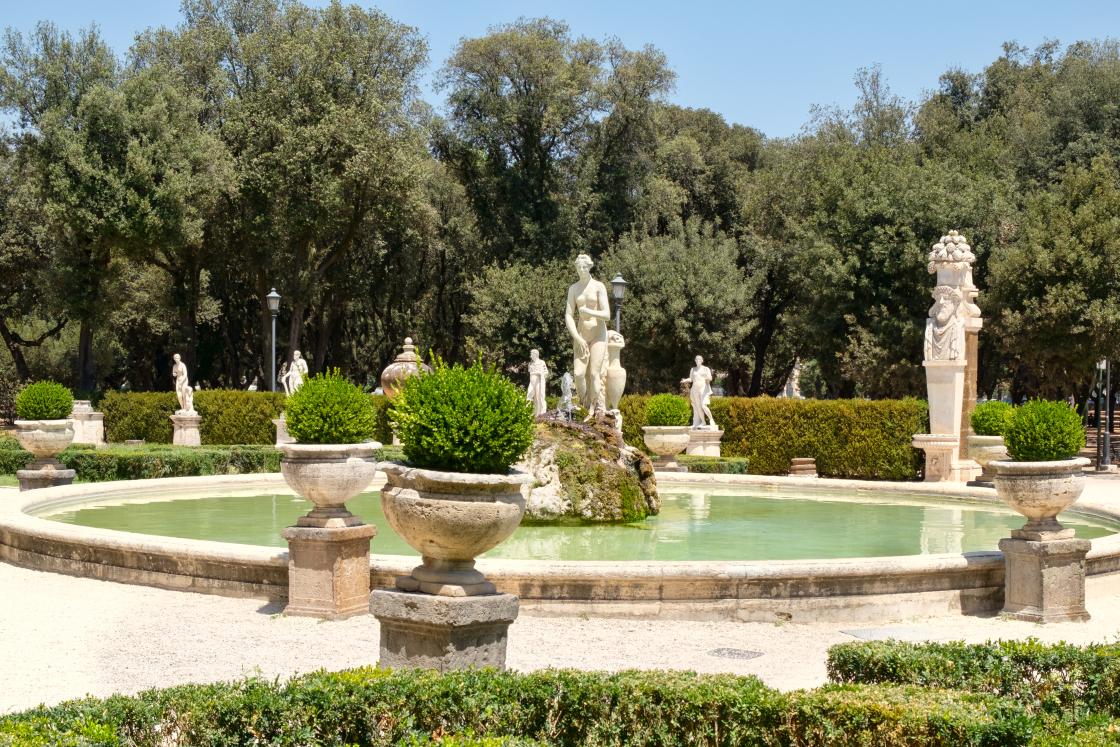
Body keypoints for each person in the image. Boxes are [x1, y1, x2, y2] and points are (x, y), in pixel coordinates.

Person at [564, 254, 610, 418]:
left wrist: (588, 311)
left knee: (593, 373)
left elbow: (607, 315)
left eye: (585, 267)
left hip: (598, 335)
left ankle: (592, 409)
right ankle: (581, 404)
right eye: (579, 267)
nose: (582, 270)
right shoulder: (574, 289)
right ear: (576, 268)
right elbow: (568, 315)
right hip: (581, 335)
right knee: (578, 374)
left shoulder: (599, 287)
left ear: (589, 267)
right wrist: (576, 337)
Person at [685, 355, 714, 428]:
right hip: (695, 390)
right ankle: (703, 422)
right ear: (695, 360)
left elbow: (710, 378)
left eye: (699, 359)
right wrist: (685, 380)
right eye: (696, 359)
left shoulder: (705, 369)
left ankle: (711, 419)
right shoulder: (693, 369)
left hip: (703, 390)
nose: (698, 360)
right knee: (698, 407)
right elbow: (691, 379)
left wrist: (707, 378)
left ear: (702, 361)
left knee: (703, 405)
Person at [526, 350, 549, 417]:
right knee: (528, 397)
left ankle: (540, 414)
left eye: (532, 354)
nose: (531, 356)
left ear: (536, 355)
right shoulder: (530, 364)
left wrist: (540, 373)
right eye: (531, 354)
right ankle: (527, 414)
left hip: (539, 381)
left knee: (539, 398)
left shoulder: (542, 363)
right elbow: (530, 373)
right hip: (532, 382)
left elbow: (546, 373)